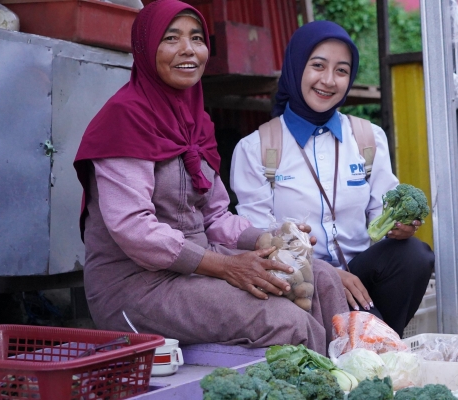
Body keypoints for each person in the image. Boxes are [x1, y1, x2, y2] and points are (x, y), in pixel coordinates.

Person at [72, 0, 348, 355]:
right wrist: (226, 266)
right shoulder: (125, 118)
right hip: (136, 286)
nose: (189, 50)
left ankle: (352, 378)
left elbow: (215, 216)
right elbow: (133, 229)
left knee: (322, 278)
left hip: (199, 268)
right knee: (284, 319)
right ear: (145, 49)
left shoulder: (195, 120)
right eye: (171, 38)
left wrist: (270, 238)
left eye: (197, 38)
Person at [230, 21, 434, 338]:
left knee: (415, 256)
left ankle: (371, 342)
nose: (328, 80)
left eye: (341, 70)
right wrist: (329, 274)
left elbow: (381, 207)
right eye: (318, 66)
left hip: (362, 272)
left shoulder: (367, 137)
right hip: (299, 280)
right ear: (297, 67)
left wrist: (395, 224)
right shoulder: (255, 149)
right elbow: (263, 241)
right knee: (369, 341)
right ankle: (373, 344)